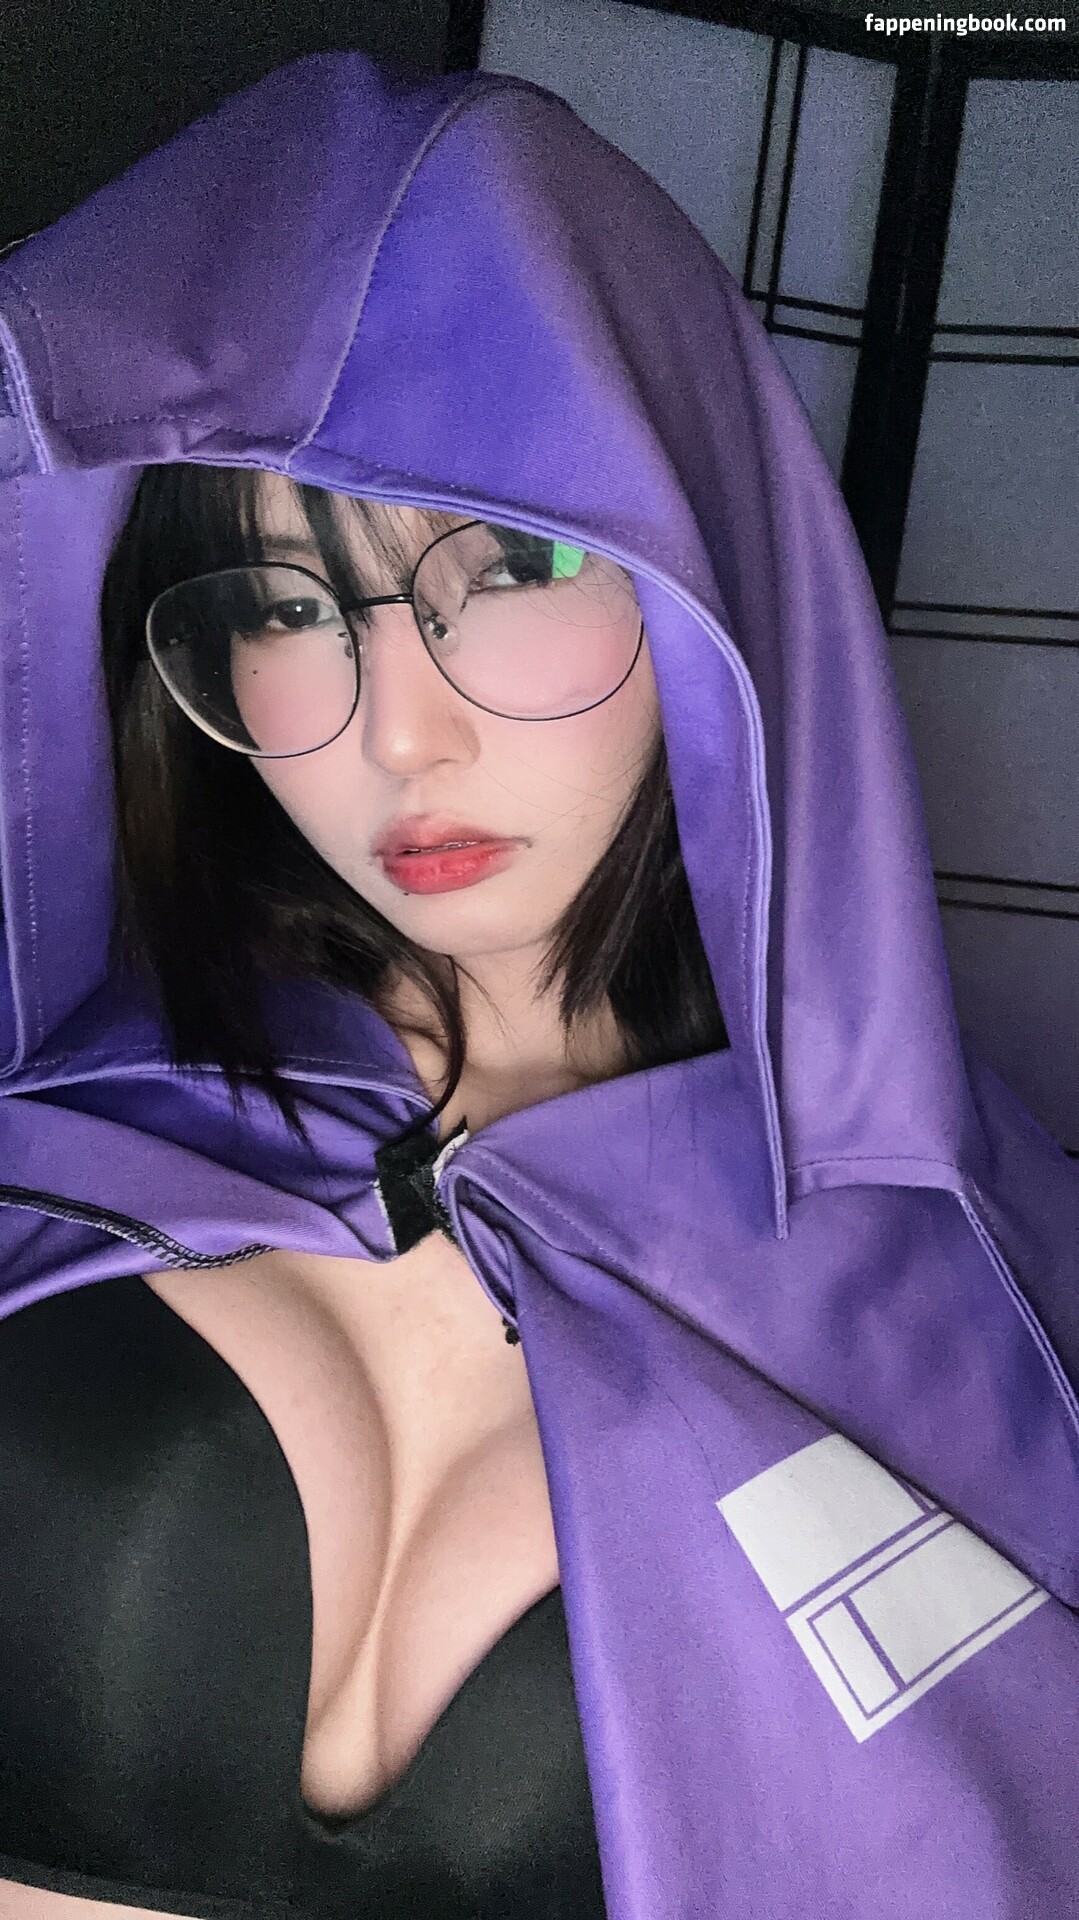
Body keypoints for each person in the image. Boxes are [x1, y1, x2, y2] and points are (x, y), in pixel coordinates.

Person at [0, 48, 1076, 1920]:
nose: (399, 733)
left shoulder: (988, 1306)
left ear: (707, 570)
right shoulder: (75, 1130)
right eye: (285, 605)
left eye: (512, 563)